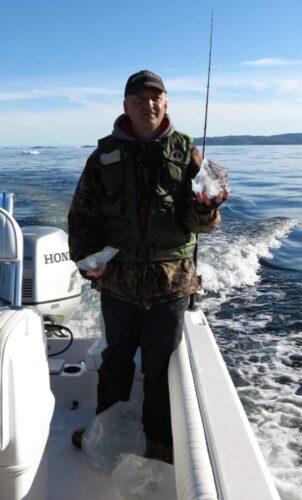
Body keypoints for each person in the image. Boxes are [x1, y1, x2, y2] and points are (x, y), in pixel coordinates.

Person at [68, 69, 228, 464]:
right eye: (139, 98)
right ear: (126, 106)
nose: (148, 103)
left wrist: (208, 208)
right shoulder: (101, 157)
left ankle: (160, 445)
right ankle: (105, 433)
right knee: (115, 363)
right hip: (118, 282)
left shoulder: (188, 152)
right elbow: (81, 217)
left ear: (166, 103)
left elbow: (201, 224)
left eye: (156, 97)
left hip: (171, 284)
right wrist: (87, 263)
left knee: (160, 369)